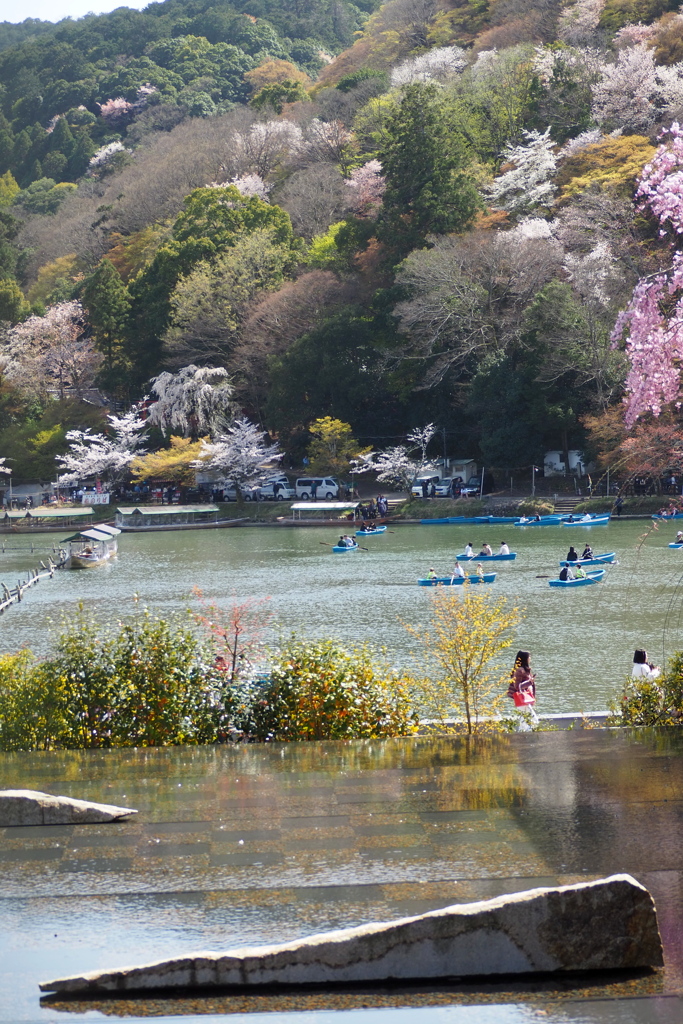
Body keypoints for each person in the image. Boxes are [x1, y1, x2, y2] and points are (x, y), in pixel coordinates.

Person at [506, 650, 538, 729]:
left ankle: (523, 737)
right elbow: (517, 686)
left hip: (526, 699)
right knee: (534, 721)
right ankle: (524, 738)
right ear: (525, 658)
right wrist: (530, 682)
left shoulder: (525, 670)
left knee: (524, 721)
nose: (530, 658)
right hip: (522, 699)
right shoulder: (520, 670)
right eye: (529, 656)